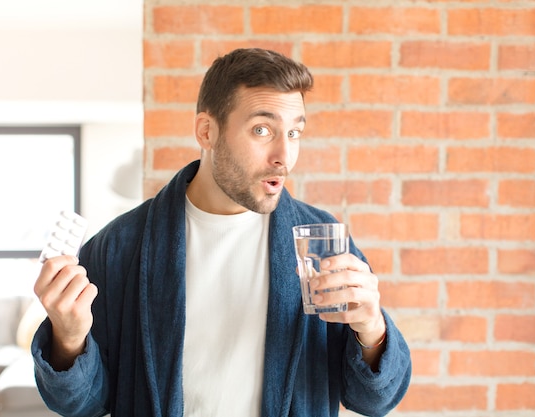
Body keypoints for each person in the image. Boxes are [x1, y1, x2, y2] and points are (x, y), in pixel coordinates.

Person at [32, 47, 411, 417]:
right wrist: (68, 337)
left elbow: (374, 401)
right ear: (206, 131)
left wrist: (371, 329)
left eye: (294, 133)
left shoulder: (322, 242)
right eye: (262, 129)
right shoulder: (119, 247)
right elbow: (81, 405)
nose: (284, 155)